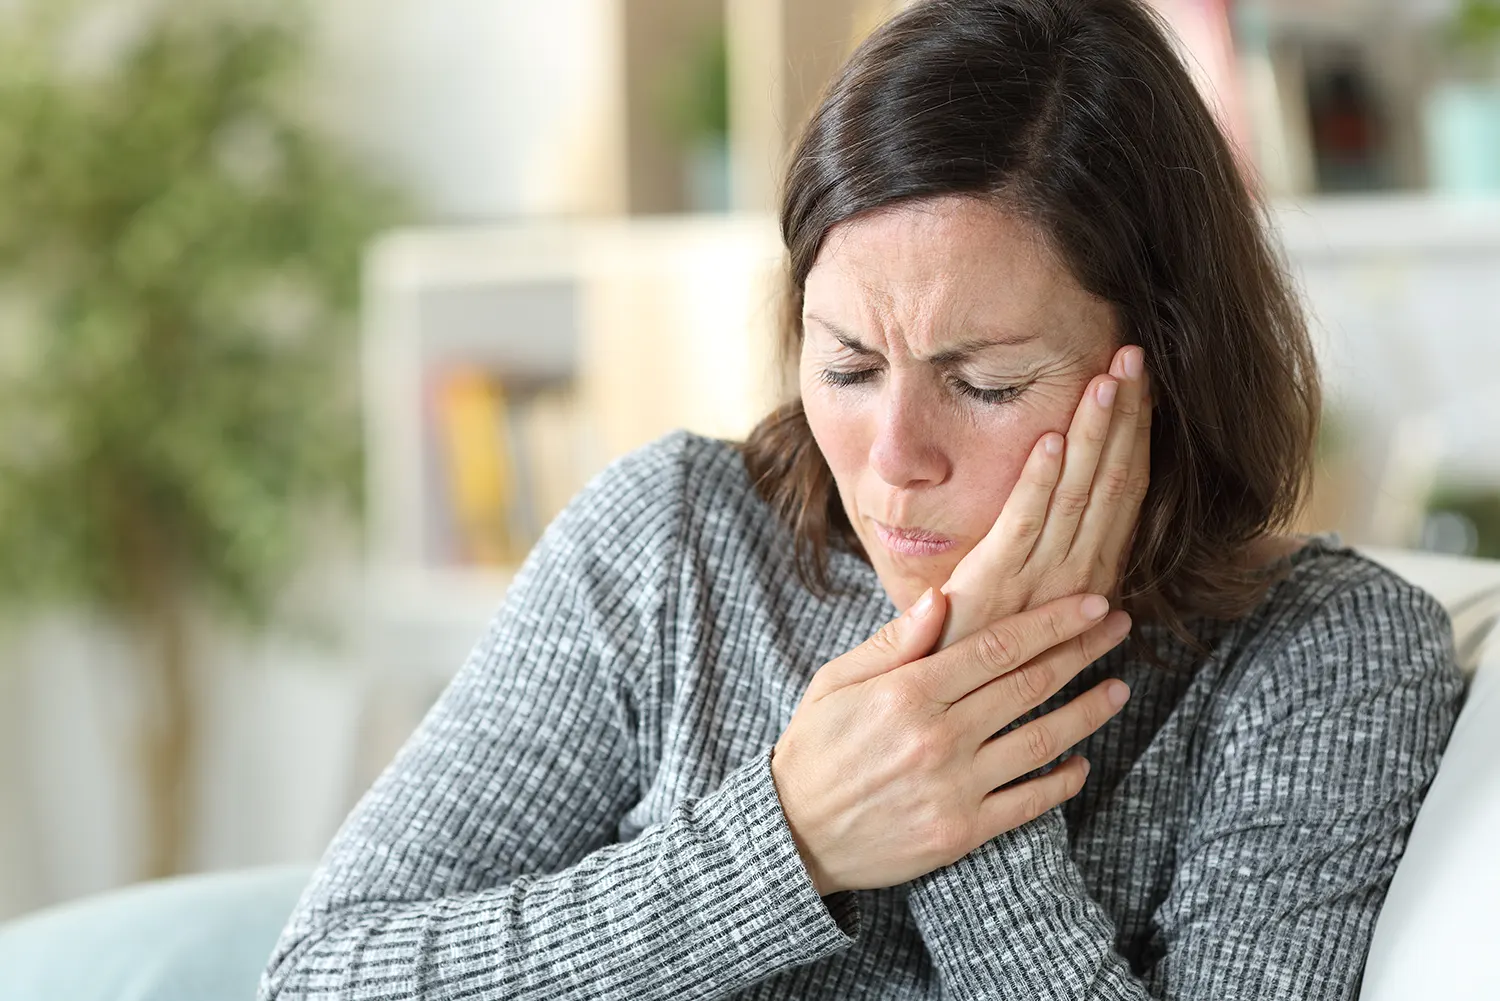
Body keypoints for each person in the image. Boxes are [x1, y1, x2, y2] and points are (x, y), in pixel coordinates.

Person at [260, 1, 1462, 998]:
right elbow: (319, 977)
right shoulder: (673, 542)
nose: (893, 453)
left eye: (983, 383)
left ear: (1163, 367)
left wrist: (960, 773)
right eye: (845, 366)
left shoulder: (1321, 661)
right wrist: (788, 840)